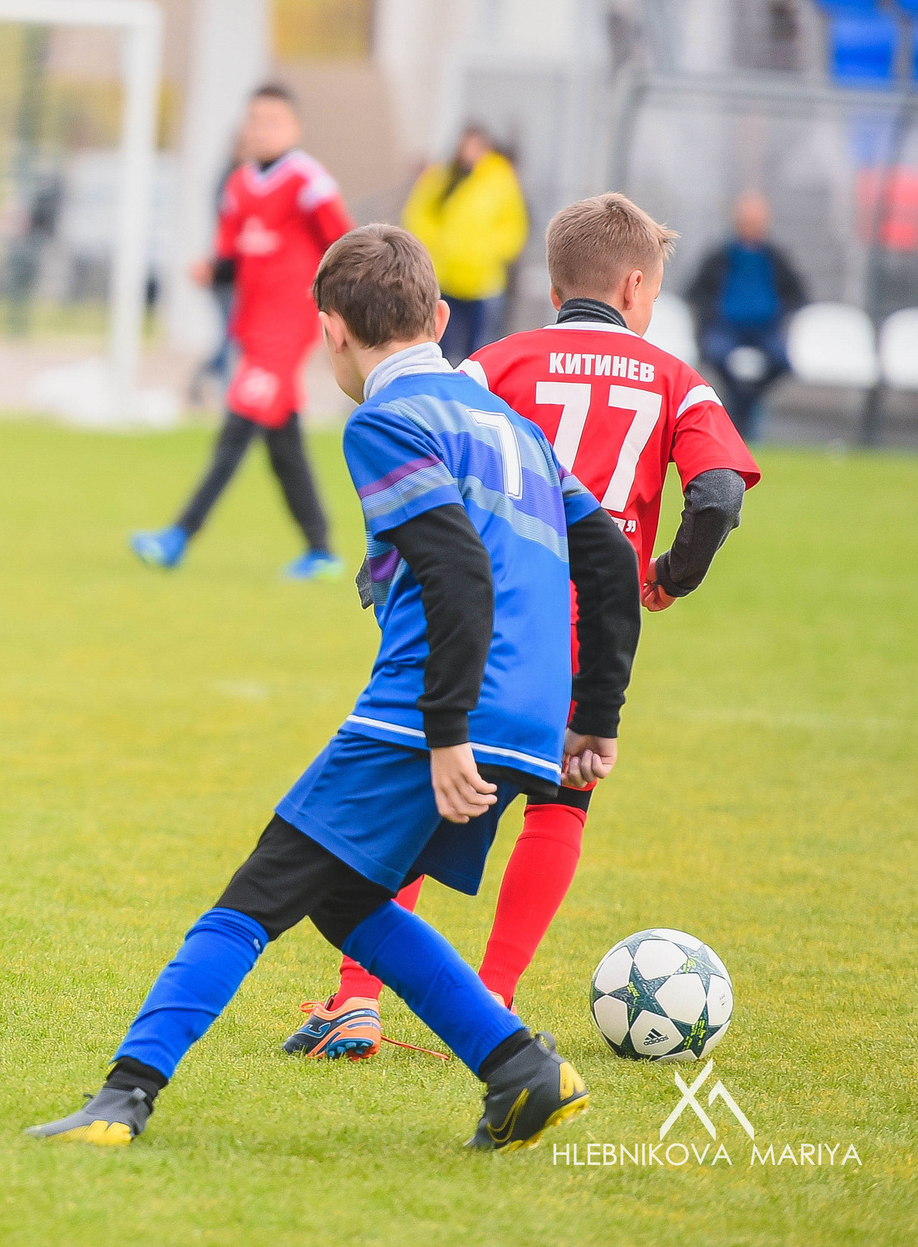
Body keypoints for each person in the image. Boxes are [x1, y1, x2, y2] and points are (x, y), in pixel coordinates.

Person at [26, 224, 640, 1152]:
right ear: (441, 317)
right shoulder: (516, 428)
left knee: (255, 893)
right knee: (346, 898)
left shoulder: (387, 422)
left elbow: (457, 570)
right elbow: (611, 563)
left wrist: (445, 729)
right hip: (529, 717)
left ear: (332, 331)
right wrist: (594, 716)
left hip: (430, 715)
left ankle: (124, 1096)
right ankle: (521, 1070)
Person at [287, 193, 758, 1059]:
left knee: (421, 803)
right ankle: (493, 997)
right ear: (634, 287)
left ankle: (356, 1000)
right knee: (561, 800)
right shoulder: (675, 379)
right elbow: (719, 492)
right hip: (591, 632)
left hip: (491, 618)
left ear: (554, 286)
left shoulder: (495, 363)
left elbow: (419, 450)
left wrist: (383, 569)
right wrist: (669, 576)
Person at [131, 84, 353, 580]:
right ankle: (320, 550)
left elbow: (344, 245)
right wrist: (213, 270)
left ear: (295, 128)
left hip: (286, 329)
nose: (261, 130)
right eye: (254, 120)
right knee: (282, 443)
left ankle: (178, 536)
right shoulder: (239, 184)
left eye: (273, 121)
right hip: (251, 327)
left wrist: (339, 310)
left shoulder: (309, 182)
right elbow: (236, 256)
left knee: (236, 429)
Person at [401, 123, 529, 363]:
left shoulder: (499, 179)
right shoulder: (442, 175)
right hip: (445, 277)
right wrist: (437, 245)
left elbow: (513, 225)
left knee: (479, 351)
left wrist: (489, 250)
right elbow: (419, 213)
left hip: (482, 281)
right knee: (440, 346)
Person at [689, 191, 807, 441]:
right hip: (726, 327)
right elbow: (695, 291)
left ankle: (747, 400)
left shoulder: (775, 257)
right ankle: (740, 401)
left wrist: (780, 312)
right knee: (716, 353)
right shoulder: (720, 255)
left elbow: (798, 292)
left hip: (765, 329)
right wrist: (710, 313)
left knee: (781, 361)